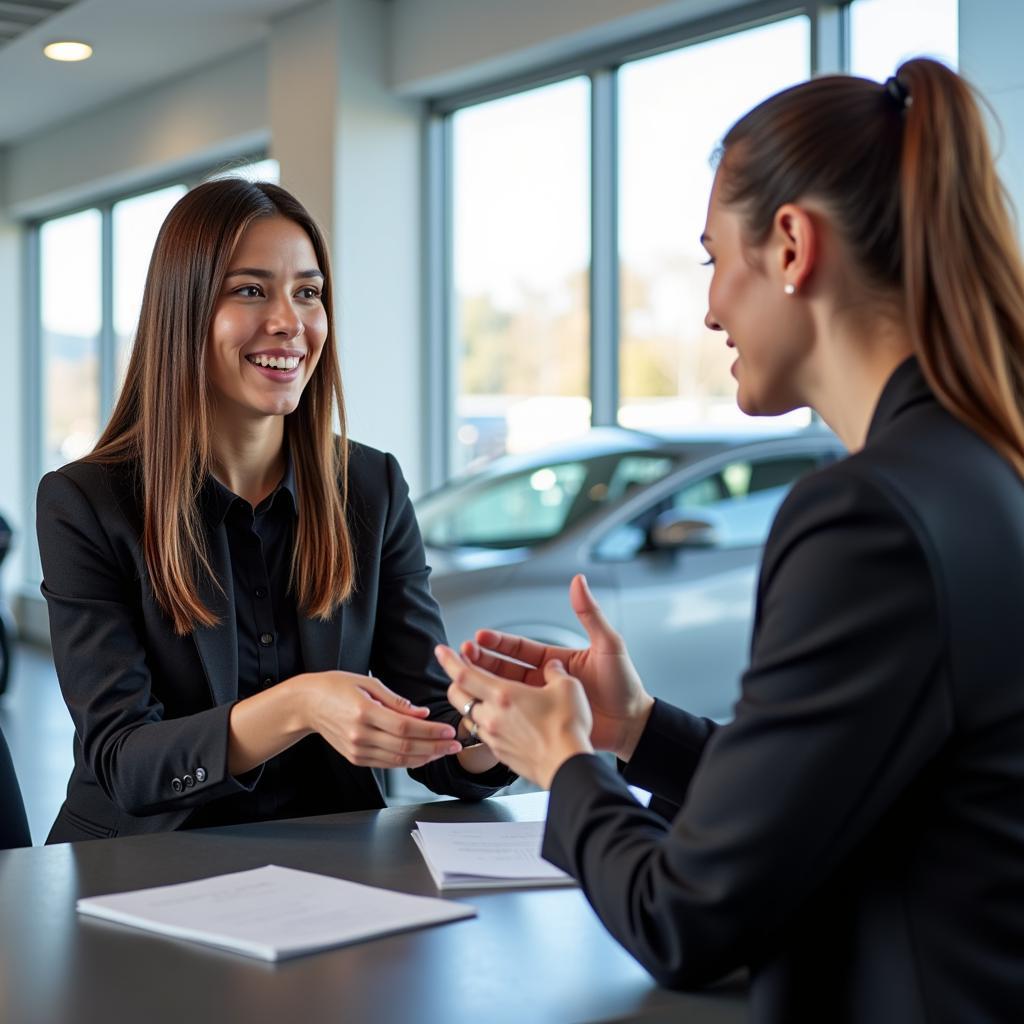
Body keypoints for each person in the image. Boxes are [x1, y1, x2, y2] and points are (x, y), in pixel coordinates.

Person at [436, 58, 1024, 1023]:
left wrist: (566, 766)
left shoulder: (866, 516)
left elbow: (686, 917)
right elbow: (838, 802)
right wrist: (634, 729)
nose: (709, 308)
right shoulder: (980, 470)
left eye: (713, 258)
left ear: (791, 245)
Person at [38, 179, 511, 843]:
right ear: (185, 309)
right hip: (141, 866)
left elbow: (434, 722)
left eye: (308, 292)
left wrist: (493, 727)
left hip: (331, 863)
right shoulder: (87, 502)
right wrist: (298, 705)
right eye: (251, 290)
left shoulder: (370, 486)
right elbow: (125, 763)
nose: (291, 321)